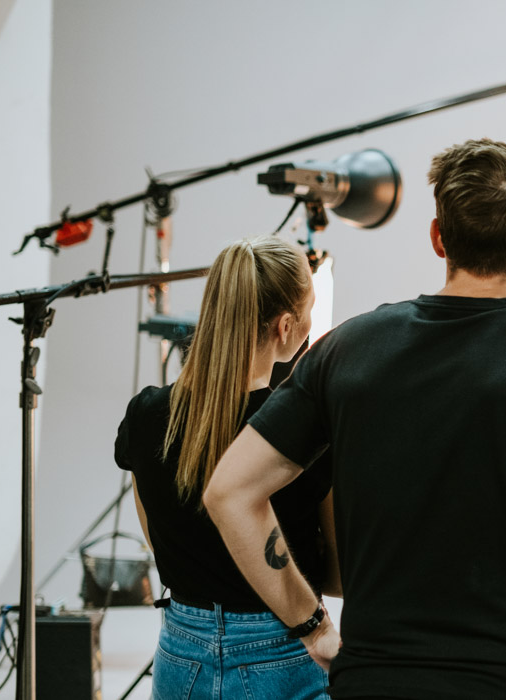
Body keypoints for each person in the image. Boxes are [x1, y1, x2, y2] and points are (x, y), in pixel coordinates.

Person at [203, 138, 506, 700]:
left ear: (438, 237)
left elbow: (230, 492)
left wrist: (312, 626)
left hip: (374, 682)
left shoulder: (348, 349)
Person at [114, 235, 335, 700]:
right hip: (285, 651)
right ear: (286, 326)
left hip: (180, 654)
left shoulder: (146, 415)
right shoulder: (303, 433)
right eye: (311, 310)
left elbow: (159, 539)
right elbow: (337, 575)